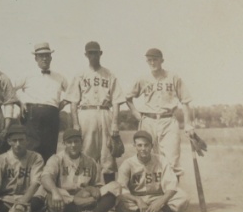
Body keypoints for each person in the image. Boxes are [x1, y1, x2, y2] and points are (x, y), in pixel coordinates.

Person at [126, 48, 193, 177]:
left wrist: (188, 124)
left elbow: (185, 100)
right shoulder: (143, 78)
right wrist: (136, 114)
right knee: (147, 159)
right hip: (148, 121)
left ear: (162, 60)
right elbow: (128, 97)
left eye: (155, 59)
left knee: (171, 161)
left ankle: (171, 195)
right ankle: (152, 195)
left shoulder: (173, 76)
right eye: (149, 60)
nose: (152, 63)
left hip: (168, 120)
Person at [65, 41, 125, 183]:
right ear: (86, 55)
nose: (93, 55)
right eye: (90, 53)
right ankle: (85, 194)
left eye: (95, 52)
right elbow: (73, 102)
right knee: (86, 154)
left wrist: (115, 124)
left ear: (100, 53)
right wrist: (75, 124)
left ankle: (110, 195)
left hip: (105, 113)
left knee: (108, 156)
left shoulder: (109, 74)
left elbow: (116, 101)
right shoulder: (80, 75)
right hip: (86, 113)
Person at [107, 130, 189, 212]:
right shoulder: (128, 164)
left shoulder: (161, 160)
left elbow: (171, 186)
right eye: (140, 145)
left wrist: (159, 202)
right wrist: (138, 200)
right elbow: (122, 190)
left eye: (146, 145)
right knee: (120, 202)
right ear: (135, 146)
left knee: (183, 197)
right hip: (137, 199)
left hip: (158, 197)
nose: (143, 148)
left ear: (152, 146)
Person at [30, 128, 110, 212]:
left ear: (82, 142)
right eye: (69, 142)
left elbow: (99, 186)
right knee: (45, 189)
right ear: (64, 144)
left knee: (115, 186)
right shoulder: (56, 159)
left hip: (84, 198)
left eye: (76, 142)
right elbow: (45, 177)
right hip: (63, 199)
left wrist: (93, 189)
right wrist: (55, 192)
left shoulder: (91, 161)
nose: (73, 145)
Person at [14, 42, 68, 162]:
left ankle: (47, 178)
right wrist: (20, 103)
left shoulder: (59, 77)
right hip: (32, 114)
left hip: (52, 115)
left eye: (47, 55)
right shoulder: (27, 75)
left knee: (50, 150)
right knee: (32, 149)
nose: (44, 58)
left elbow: (71, 93)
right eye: (41, 56)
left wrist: (62, 104)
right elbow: (11, 89)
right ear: (36, 58)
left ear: (51, 58)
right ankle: (31, 179)